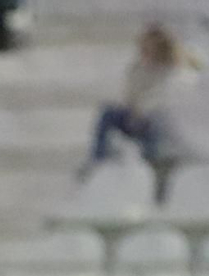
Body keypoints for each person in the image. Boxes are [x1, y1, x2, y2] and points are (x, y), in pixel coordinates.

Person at [81, 24, 190, 173]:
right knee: (108, 113)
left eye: (149, 48)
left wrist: (142, 110)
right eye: (143, 47)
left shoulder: (170, 72)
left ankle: (154, 163)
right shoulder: (137, 68)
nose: (144, 51)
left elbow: (163, 97)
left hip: (154, 120)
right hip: (133, 116)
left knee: (156, 121)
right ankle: (98, 160)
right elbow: (129, 95)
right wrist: (132, 109)